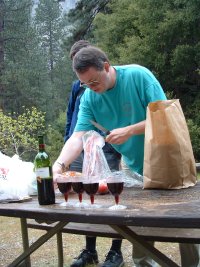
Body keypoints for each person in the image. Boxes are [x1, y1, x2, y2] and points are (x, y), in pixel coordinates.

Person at [53, 46, 199, 267]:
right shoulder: (90, 98)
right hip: (133, 166)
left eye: (94, 81)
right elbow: (77, 137)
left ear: (106, 66)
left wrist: (129, 130)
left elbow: (166, 118)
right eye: (85, 84)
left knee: (184, 221)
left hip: (169, 160)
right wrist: (60, 165)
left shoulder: (138, 76)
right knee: (139, 226)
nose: (92, 88)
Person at [64, 40, 124, 267]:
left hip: (106, 147)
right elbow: (71, 115)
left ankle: (115, 252)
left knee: (111, 198)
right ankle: (90, 251)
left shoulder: (106, 84)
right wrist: (67, 144)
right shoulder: (77, 86)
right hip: (78, 148)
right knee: (85, 199)